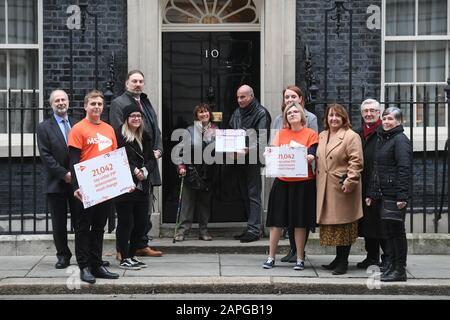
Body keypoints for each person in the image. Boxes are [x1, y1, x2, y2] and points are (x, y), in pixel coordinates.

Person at [110, 70, 163, 258]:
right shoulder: (118, 103)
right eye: (134, 81)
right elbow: (120, 135)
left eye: (141, 81)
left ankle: (141, 244)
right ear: (126, 83)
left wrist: (157, 151)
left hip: (148, 162)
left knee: (143, 211)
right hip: (130, 166)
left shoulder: (145, 102)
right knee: (127, 216)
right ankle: (121, 250)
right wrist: (135, 166)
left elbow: (155, 129)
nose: (138, 84)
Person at [68, 90, 119, 284]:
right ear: (85, 106)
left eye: (99, 104)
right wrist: (76, 186)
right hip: (86, 186)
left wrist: (120, 184)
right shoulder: (78, 129)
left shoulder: (109, 129)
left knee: (99, 227)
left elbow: (114, 159)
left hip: (105, 186)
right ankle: (85, 266)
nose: (96, 107)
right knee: (83, 227)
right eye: (93, 104)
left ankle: (97, 264)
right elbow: (73, 160)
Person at [262, 103, 318, 270]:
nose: (292, 114)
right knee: (276, 222)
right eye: (289, 112)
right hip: (283, 181)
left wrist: (310, 156)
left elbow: (314, 152)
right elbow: (273, 150)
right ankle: (271, 257)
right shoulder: (281, 133)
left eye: (295, 112)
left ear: (302, 115)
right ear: (286, 117)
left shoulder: (311, 134)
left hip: (303, 183)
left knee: (300, 222)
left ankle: (300, 258)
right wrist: (269, 153)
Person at [316, 103, 363, 275]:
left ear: (344, 118)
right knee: (333, 226)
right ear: (326, 118)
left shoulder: (351, 136)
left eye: (338, 116)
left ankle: (343, 262)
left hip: (342, 187)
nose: (334, 119)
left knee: (344, 225)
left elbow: (356, 162)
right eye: (331, 115)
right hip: (325, 186)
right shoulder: (322, 135)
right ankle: (337, 259)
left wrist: (350, 182)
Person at [366, 107, 412, 282]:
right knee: (388, 233)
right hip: (383, 193)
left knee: (396, 232)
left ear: (399, 122)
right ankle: (391, 266)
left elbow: (404, 169)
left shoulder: (400, 140)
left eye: (390, 119)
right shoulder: (384, 139)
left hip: (394, 195)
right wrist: (371, 192)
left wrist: (402, 196)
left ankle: (399, 269)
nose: (386, 122)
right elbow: (377, 169)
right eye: (384, 118)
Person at [36, 90, 77, 269]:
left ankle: (85, 254)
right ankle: (63, 255)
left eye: (63, 100)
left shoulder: (77, 124)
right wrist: (64, 174)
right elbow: (46, 156)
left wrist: (76, 175)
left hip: (78, 182)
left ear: (68, 102)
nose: (61, 103)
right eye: (57, 100)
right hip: (56, 182)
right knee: (59, 223)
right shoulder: (44, 127)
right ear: (51, 104)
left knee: (81, 221)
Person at [114, 103, 157, 270]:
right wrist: (133, 170)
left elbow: (152, 159)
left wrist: (145, 170)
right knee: (126, 223)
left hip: (142, 186)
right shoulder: (120, 136)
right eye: (133, 116)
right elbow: (118, 157)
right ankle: (124, 256)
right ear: (126, 119)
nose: (136, 119)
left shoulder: (145, 136)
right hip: (125, 187)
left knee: (141, 223)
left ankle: (132, 255)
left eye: (139, 116)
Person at [229, 85, 271, 243]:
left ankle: (254, 230)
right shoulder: (237, 112)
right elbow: (231, 131)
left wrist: (247, 151)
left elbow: (262, 139)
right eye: (238, 97)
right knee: (244, 193)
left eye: (243, 97)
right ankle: (251, 227)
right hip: (238, 159)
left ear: (251, 96)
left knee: (253, 194)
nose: (239, 100)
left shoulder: (261, 113)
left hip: (253, 160)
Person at [175, 104, 217, 241]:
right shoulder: (189, 130)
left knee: (204, 204)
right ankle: (182, 231)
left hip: (208, 172)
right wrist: (181, 166)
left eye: (206, 112)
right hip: (191, 171)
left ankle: (203, 231)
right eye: (200, 112)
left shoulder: (216, 131)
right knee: (187, 203)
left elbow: (221, 151)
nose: (204, 114)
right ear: (196, 115)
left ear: (209, 114)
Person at [357, 99, 388, 270]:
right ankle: (371, 256)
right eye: (365, 111)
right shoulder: (358, 133)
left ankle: (388, 257)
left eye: (372, 111)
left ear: (379, 113)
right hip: (363, 183)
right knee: (368, 223)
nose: (369, 114)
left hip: (380, 185)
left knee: (381, 223)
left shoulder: (384, 132)